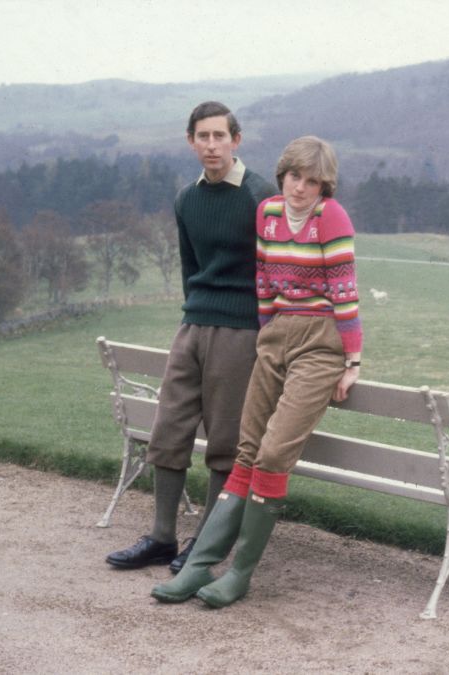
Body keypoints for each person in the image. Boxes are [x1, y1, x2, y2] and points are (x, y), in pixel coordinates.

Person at [152, 135, 362, 608]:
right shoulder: (267, 212)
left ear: (324, 186)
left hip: (320, 342)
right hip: (275, 335)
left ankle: (240, 572)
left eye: (313, 181)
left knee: (271, 454)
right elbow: (264, 279)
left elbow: (344, 291)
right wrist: (268, 333)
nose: (301, 189)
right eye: (294, 177)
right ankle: (200, 565)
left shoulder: (331, 217)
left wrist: (351, 361)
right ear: (283, 174)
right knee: (245, 452)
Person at [106, 101, 273, 574]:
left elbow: (274, 270)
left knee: (224, 439)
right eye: (203, 136)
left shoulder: (260, 196)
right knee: (170, 427)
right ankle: (162, 537)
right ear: (191, 141)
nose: (212, 145)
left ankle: (205, 542)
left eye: (220, 136)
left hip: (242, 332)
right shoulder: (186, 200)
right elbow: (190, 268)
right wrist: (195, 316)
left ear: (236, 140)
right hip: (193, 325)